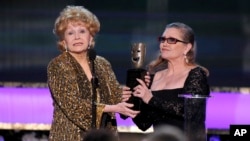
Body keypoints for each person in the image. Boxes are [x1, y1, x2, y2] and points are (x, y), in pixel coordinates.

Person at [47, 5, 141, 141]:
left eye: (82, 31)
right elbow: (72, 105)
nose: (77, 37)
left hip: (105, 135)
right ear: (63, 41)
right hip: (70, 135)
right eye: (70, 33)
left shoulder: (102, 63)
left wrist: (127, 95)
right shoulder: (57, 66)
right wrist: (111, 107)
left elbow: (115, 97)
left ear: (91, 37)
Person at [129, 22, 210, 140]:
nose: (164, 44)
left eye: (172, 40)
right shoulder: (154, 77)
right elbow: (144, 124)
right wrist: (132, 102)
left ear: (187, 47)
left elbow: (190, 112)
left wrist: (150, 99)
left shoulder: (196, 74)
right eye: (163, 39)